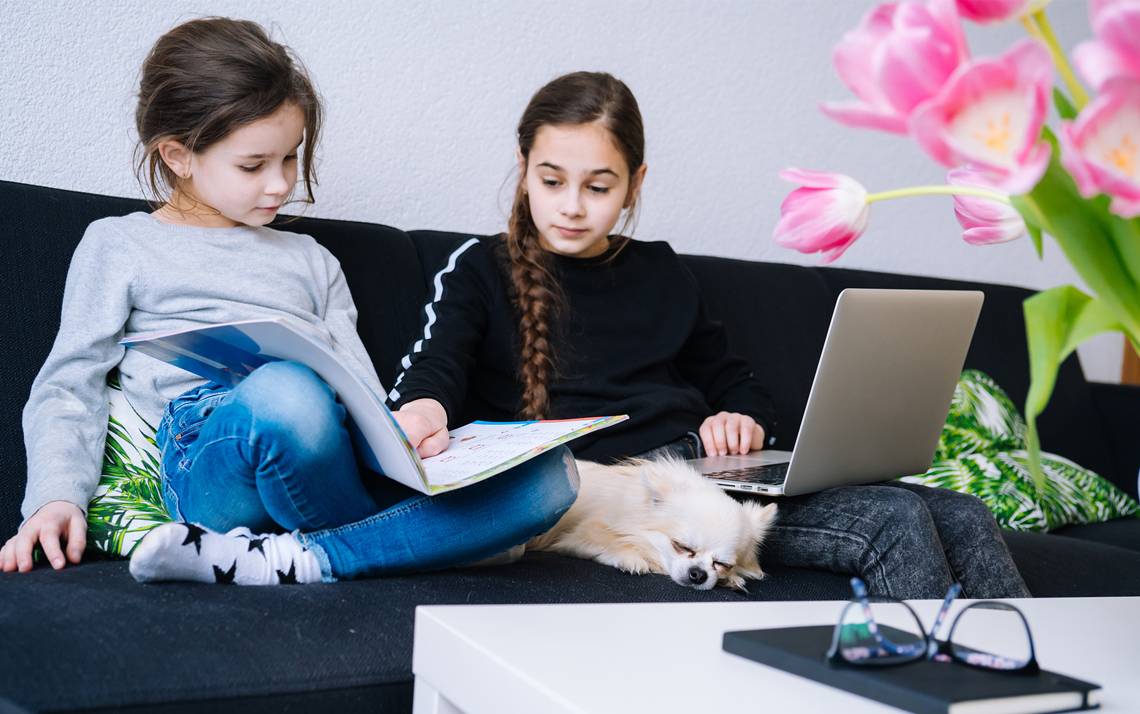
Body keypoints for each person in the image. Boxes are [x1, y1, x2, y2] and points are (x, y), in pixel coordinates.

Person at [388, 71, 1029, 599]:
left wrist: (741, 416)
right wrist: (422, 410)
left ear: (636, 183)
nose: (572, 206)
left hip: (717, 484)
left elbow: (739, 383)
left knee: (966, 515)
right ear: (524, 168)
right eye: (552, 181)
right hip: (628, 498)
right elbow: (433, 370)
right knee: (894, 520)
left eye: (599, 186)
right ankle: (932, 687)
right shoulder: (480, 268)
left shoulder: (662, 271)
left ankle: (1024, 682)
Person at [0, 17, 577, 585]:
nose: (280, 184)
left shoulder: (312, 259)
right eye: (253, 165)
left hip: (330, 454)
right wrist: (54, 498)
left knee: (554, 478)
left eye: (290, 157)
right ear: (178, 156)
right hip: (209, 457)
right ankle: (427, 540)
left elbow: (360, 390)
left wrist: (408, 435)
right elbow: (69, 384)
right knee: (287, 391)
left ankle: (295, 560)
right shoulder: (120, 242)